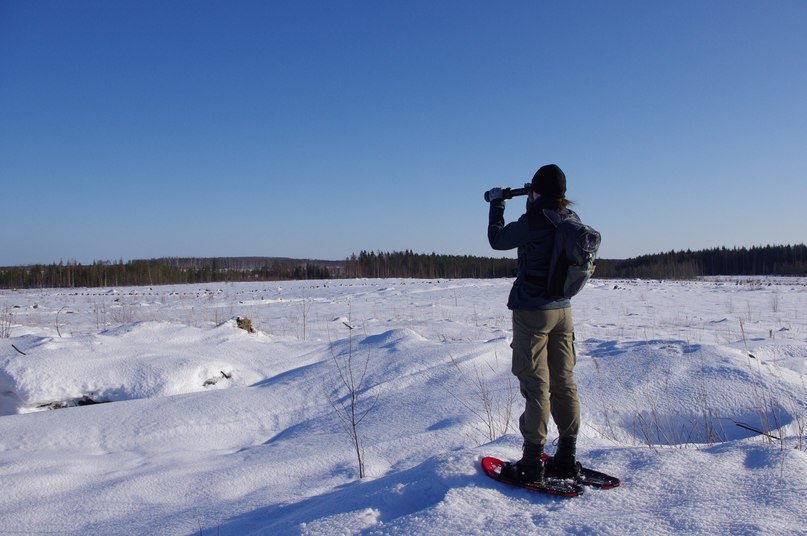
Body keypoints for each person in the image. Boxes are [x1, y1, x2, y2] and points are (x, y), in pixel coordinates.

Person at [486, 163, 582, 484]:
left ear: (536, 191)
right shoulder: (571, 220)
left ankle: (531, 461)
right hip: (563, 310)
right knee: (564, 381)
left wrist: (497, 206)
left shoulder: (534, 221)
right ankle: (566, 456)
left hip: (532, 312)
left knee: (536, 385)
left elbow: (497, 240)